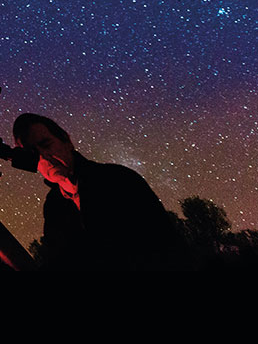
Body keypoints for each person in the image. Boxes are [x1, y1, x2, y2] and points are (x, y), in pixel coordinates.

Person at [13, 113, 187, 271]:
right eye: (34, 153)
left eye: (46, 144)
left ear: (67, 141)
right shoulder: (53, 206)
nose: (44, 156)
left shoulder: (118, 180)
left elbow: (164, 245)